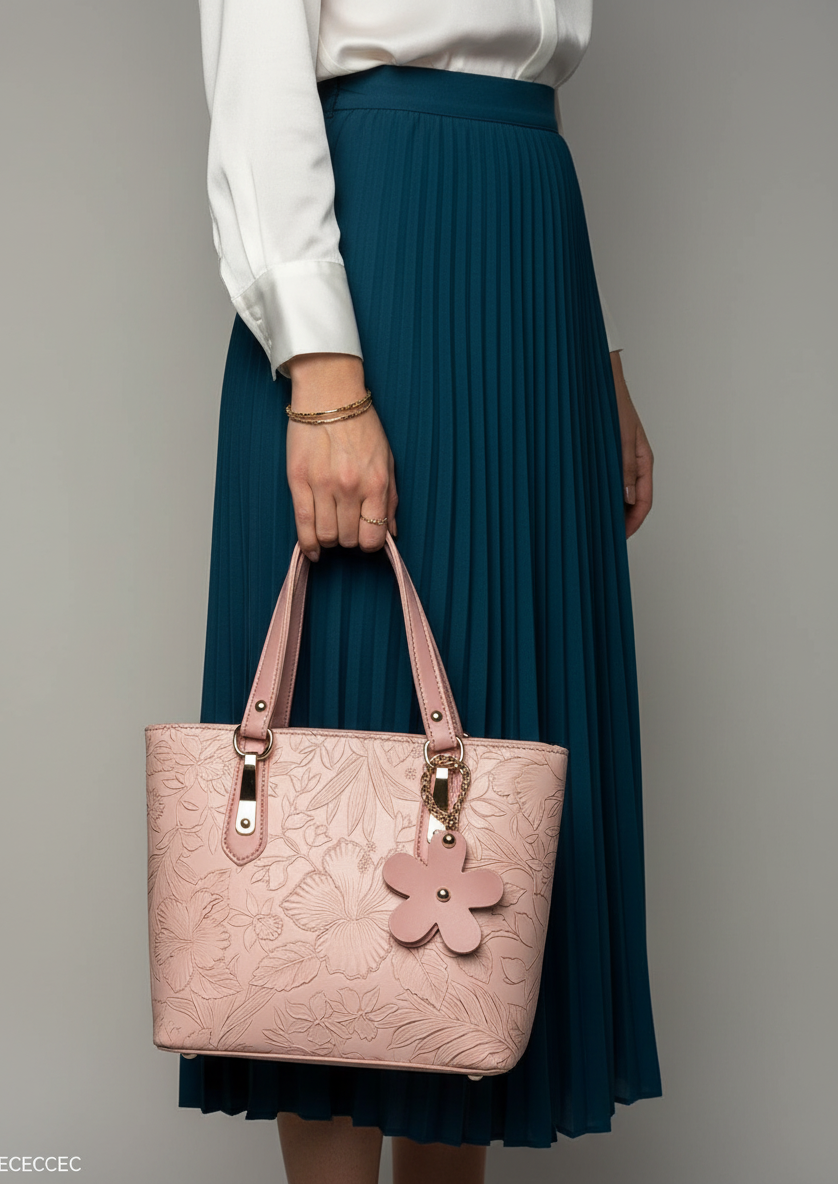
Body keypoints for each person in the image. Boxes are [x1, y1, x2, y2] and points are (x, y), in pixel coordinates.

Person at [179, 1, 662, 1181]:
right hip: (378, 257)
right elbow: (256, 60)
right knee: (345, 809)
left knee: (481, 803)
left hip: (530, 265)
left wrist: (593, 352)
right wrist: (324, 373)